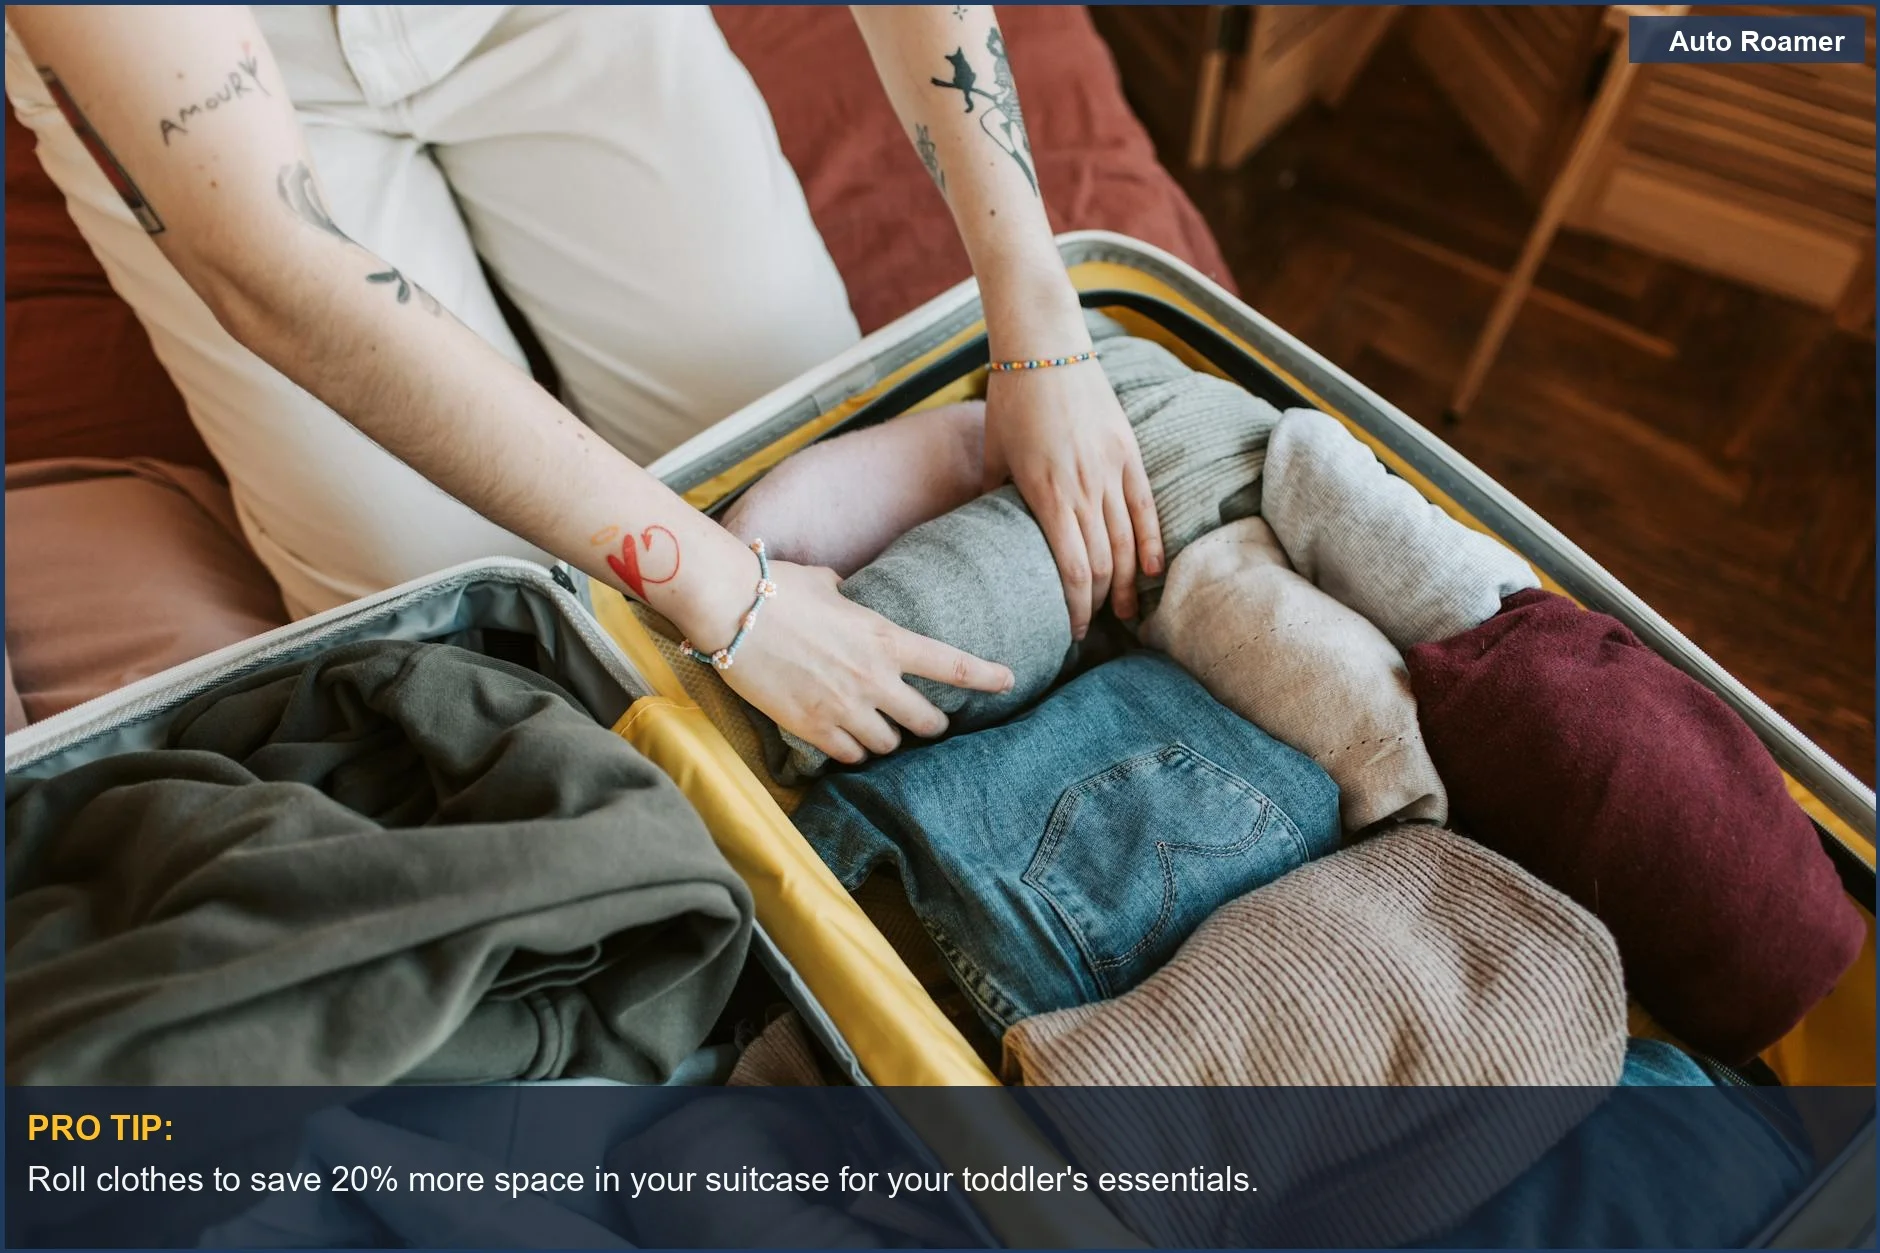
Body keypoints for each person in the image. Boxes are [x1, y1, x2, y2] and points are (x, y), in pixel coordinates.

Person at [4, 5, 1163, 766]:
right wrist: (730, 600)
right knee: (460, 634)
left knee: (799, 455)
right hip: (213, 91)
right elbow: (270, 261)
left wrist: (1036, 318)